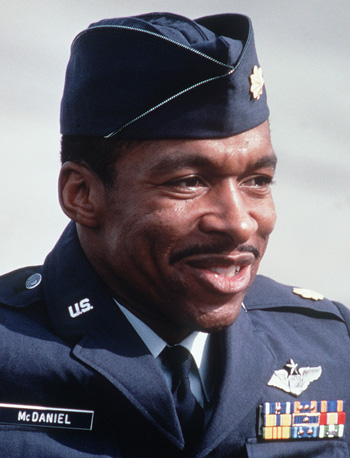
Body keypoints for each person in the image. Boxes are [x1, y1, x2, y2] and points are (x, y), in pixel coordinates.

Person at [0, 11, 349, 458]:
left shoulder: (331, 347)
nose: (240, 223)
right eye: (188, 182)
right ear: (82, 194)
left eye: (257, 181)